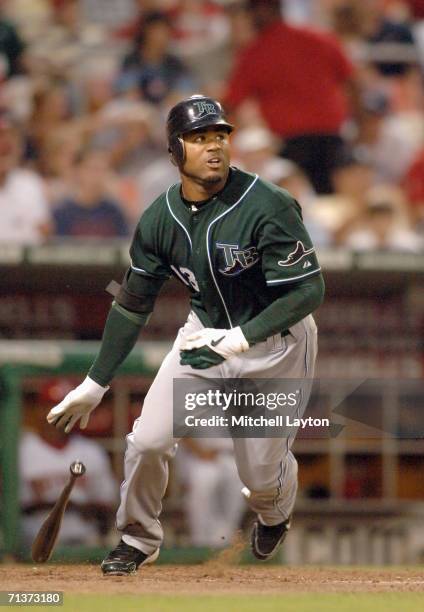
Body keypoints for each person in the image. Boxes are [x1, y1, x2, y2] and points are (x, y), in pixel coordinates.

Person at [47, 95, 325, 575]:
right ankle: (138, 538)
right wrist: (95, 383)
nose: (213, 146)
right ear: (176, 151)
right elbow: (132, 302)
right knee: (148, 441)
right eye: (199, 138)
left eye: (219, 135)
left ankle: (274, 511)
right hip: (205, 337)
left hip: (276, 344)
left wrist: (245, 336)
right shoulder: (158, 218)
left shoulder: (268, 204)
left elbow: (307, 290)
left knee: (258, 477)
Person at [224, 0, 358, 194]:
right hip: (328, 138)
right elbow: (353, 83)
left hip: (294, 144)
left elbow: (231, 104)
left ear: (266, 8)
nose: (250, 17)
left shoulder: (256, 51)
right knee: (330, 201)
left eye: (253, 10)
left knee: (298, 205)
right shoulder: (319, 37)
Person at [20, 378, 118, 547]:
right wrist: (59, 505)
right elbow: (12, 507)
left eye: (66, 408)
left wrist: (79, 507)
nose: (60, 413)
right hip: (31, 542)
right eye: (52, 406)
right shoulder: (22, 450)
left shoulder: (91, 451)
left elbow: (108, 503)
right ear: (38, 409)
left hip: (84, 542)